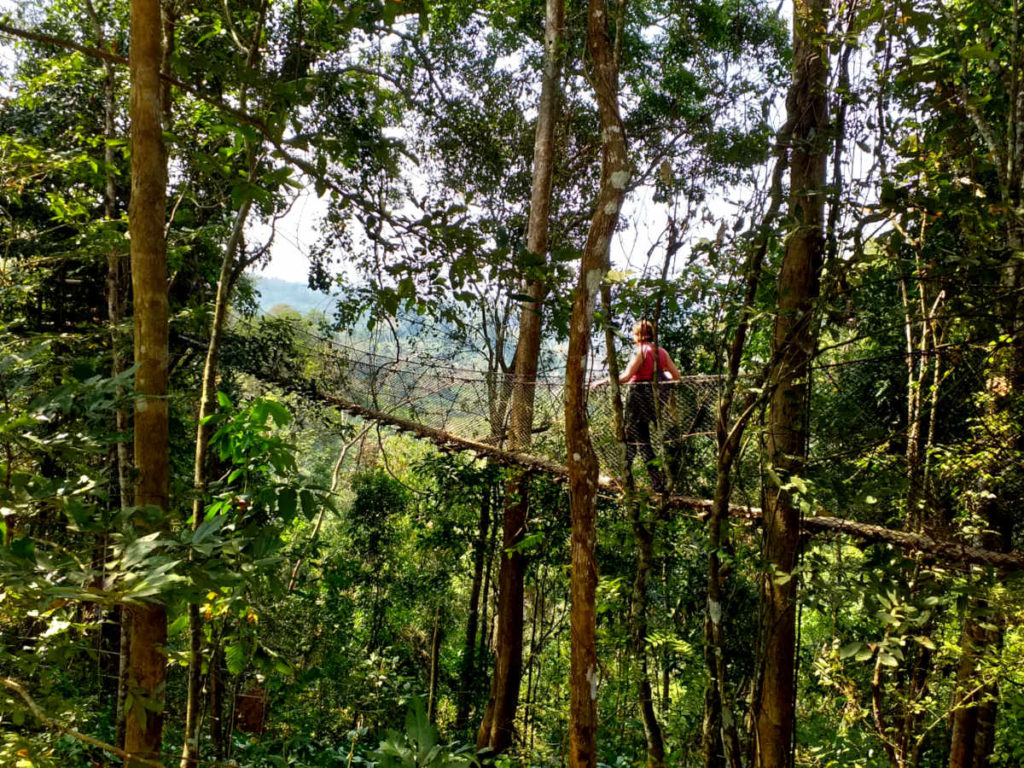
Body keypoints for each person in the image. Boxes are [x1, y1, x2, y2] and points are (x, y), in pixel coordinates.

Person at [590, 320, 681, 492]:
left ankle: (656, 483)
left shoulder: (641, 351)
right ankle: (625, 475)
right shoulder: (661, 351)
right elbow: (676, 375)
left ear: (639, 335)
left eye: (634, 334)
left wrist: (603, 381)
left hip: (638, 396)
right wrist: (662, 375)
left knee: (641, 440)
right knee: (633, 437)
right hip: (654, 399)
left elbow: (626, 376)